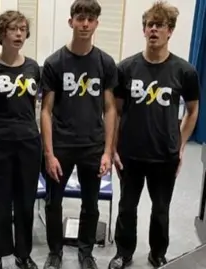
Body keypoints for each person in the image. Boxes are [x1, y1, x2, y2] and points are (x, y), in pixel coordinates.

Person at [108, 2, 200, 269]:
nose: (154, 30)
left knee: (161, 211)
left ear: (170, 31)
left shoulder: (185, 71)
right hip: (130, 154)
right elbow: (115, 111)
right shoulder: (126, 68)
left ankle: (157, 254)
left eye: (160, 26)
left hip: (164, 155)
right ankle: (124, 252)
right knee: (127, 208)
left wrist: (180, 145)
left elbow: (193, 111)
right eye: (150, 25)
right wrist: (112, 147)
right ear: (144, 29)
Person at [39, 0, 117, 268]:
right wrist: (48, 153)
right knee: (53, 203)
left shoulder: (106, 63)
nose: (85, 23)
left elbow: (109, 109)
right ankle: (55, 252)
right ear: (70, 21)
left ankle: (86, 252)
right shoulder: (54, 62)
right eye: (80, 17)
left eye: (90, 19)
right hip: (61, 144)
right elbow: (46, 111)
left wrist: (108, 151)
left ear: (96, 23)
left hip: (92, 146)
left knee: (91, 204)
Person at [0, 10, 41, 269]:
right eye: (13, 29)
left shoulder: (33, 66)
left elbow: (33, 105)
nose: (19, 34)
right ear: (1, 33)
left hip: (28, 143)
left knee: (25, 200)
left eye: (23, 29)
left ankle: (23, 254)